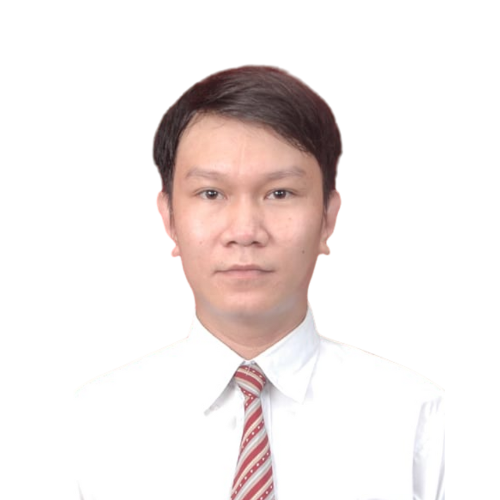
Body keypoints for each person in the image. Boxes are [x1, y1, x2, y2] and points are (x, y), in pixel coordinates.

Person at [73, 64, 446, 499]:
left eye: (279, 193)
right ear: (168, 218)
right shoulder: (91, 422)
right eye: (211, 193)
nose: (245, 231)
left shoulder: (419, 417)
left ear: (328, 218)